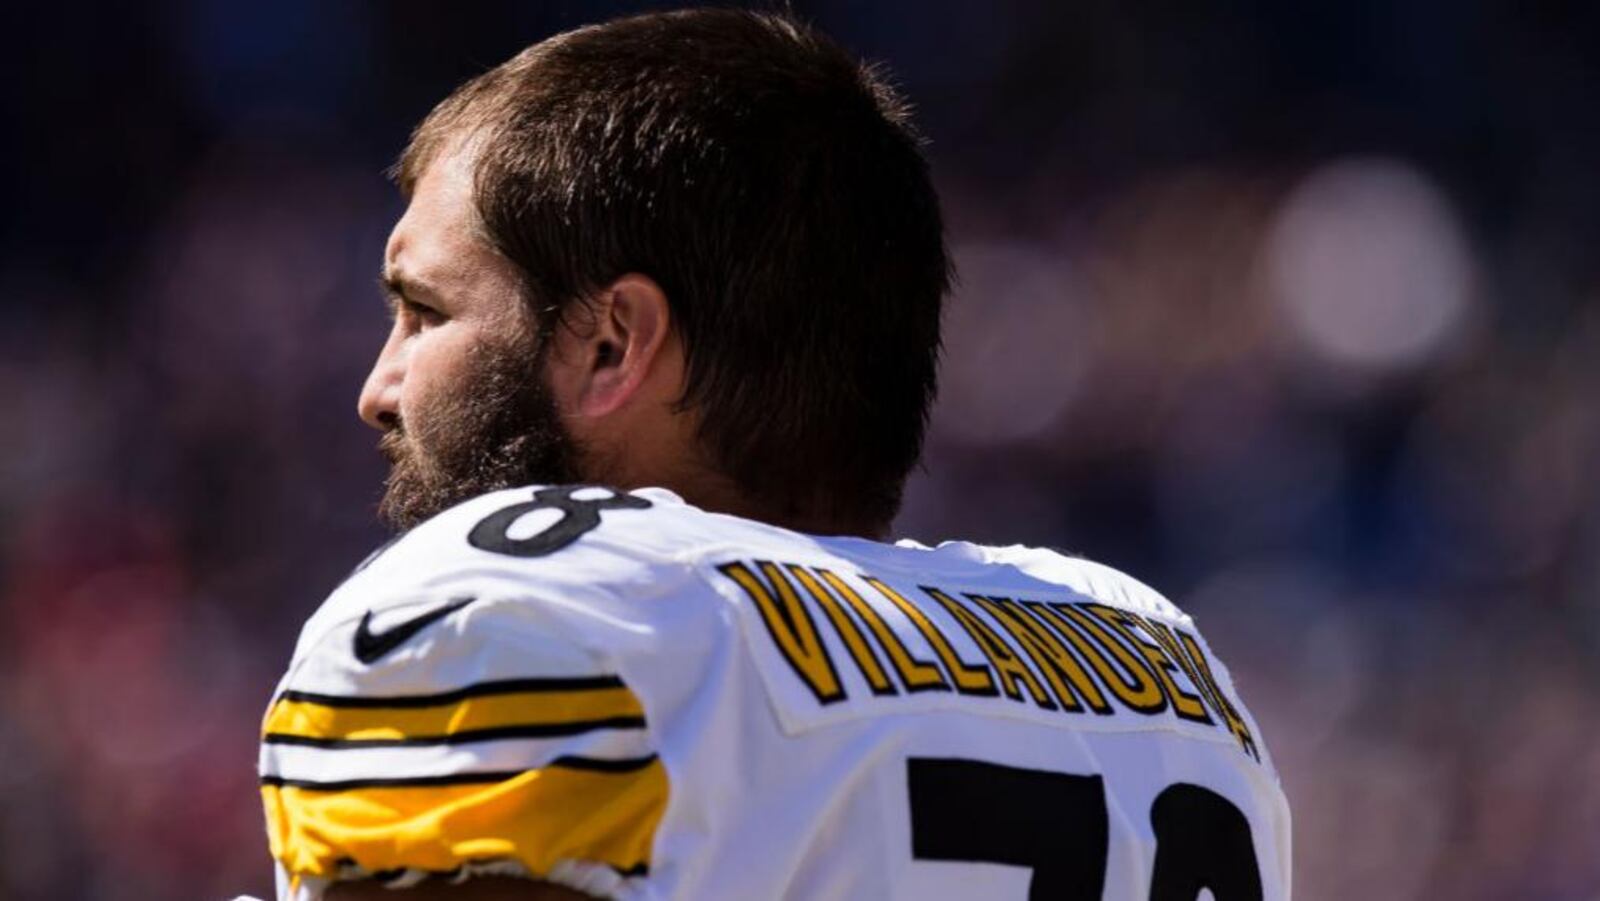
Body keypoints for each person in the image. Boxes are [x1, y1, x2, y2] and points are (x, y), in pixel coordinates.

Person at [256, 8, 1291, 900]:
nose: (378, 389)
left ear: (610, 343)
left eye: (424, 311)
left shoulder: (515, 615)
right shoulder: (1153, 659)